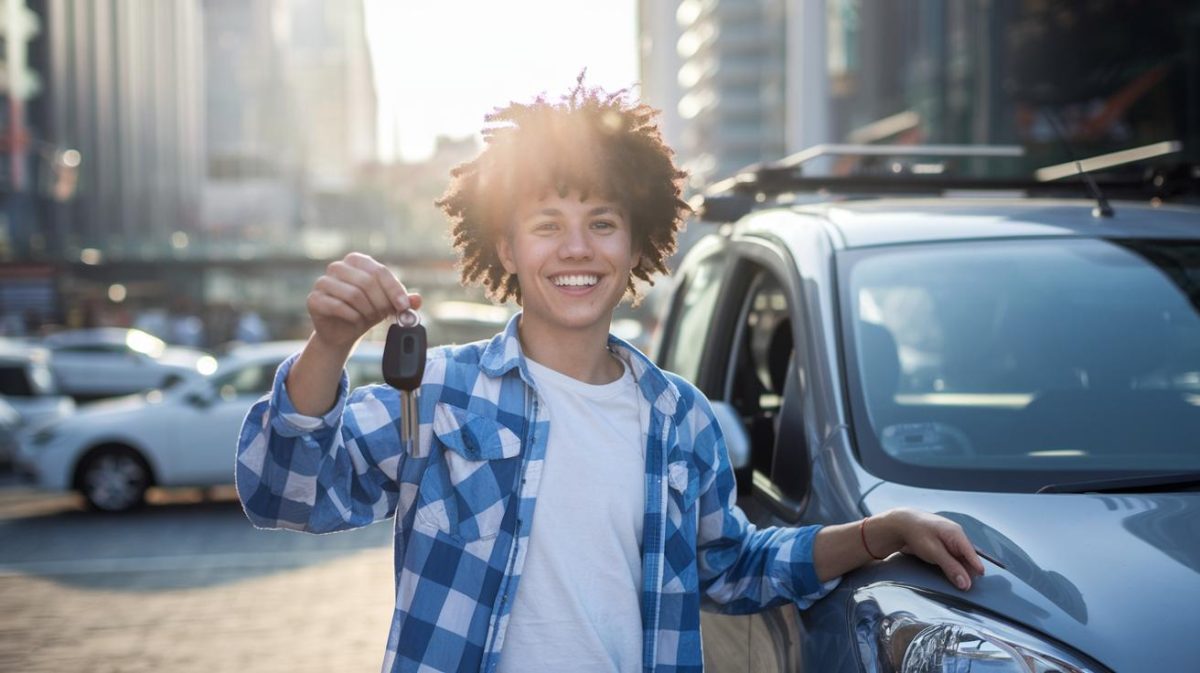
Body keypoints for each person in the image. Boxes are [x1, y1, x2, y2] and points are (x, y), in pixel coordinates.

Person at [235, 80, 984, 673]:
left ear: (636, 243)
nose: (575, 249)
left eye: (601, 221)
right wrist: (328, 345)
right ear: (506, 243)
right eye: (546, 223)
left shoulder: (679, 419)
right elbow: (282, 491)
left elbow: (733, 567)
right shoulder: (434, 393)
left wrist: (877, 533)